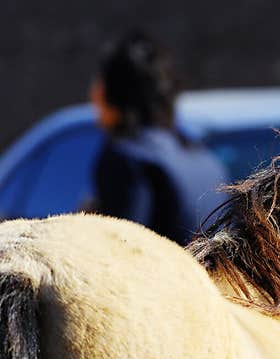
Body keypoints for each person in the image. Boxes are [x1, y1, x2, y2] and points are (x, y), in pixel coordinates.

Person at [89, 30, 229, 245]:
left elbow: (120, 250)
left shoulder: (127, 157)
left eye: (100, 81)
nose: (93, 93)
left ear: (114, 91)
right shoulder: (205, 159)